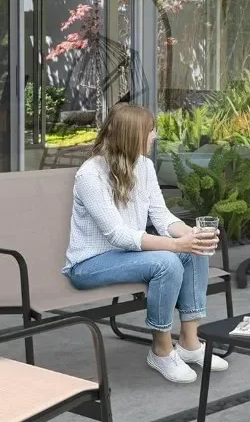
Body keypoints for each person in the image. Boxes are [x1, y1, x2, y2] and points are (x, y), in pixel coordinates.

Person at [64, 102, 228, 384]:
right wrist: (175, 246)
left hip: (130, 255)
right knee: (166, 261)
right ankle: (161, 351)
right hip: (89, 264)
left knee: (195, 251)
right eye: (150, 131)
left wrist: (190, 235)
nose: (154, 137)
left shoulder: (145, 166)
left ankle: (189, 344)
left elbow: (161, 215)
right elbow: (117, 234)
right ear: (132, 135)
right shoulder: (90, 176)